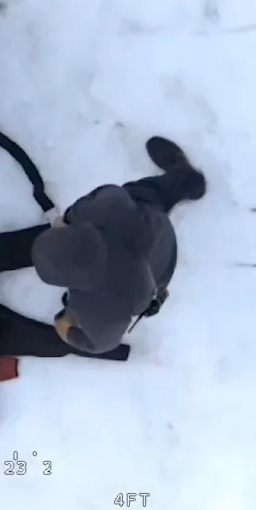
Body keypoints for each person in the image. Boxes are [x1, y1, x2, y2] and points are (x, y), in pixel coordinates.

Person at [31, 136, 207, 353]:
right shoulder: (99, 213)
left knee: (138, 291)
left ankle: (186, 181)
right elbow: (109, 192)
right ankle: (186, 180)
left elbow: (101, 344)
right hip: (153, 229)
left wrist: (66, 329)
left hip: (159, 273)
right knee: (144, 195)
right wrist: (69, 219)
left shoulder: (98, 308)